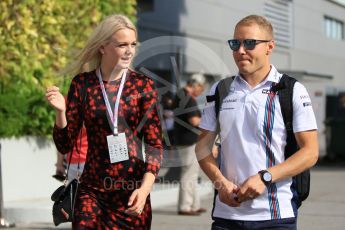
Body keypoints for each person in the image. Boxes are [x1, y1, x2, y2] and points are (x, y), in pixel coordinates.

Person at [195, 15, 319, 229]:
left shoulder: (291, 90)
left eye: (250, 43)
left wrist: (265, 177)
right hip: (227, 216)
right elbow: (202, 148)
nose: (241, 50)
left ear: (270, 46)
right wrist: (220, 182)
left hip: (276, 217)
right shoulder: (220, 90)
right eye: (235, 43)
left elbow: (310, 152)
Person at [46, 14, 162, 229]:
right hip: (92, 192)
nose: (129, 51)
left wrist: (145, 190)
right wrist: (60, 113)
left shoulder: (143, 86)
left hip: (132, 191)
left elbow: (155, 145)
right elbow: (64, 144)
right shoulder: (83, 84)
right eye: (122, 45)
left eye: (133, 44)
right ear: (102, 47)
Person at [173, 73, 207, 216]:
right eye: (201, 88)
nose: (201, 92)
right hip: (188, 141)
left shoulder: (180, 95)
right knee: (188, 174)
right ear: (196, 85)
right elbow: (194, 121)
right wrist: (208, 120)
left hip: (184, 140)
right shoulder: (188, 98)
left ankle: (194, 204)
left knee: (192, 174)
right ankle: (185, 206)